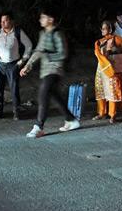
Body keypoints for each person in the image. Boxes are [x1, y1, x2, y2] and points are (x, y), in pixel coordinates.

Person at [19, 9, 80, 138]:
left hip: (55, 69)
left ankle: (39, 126)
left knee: (43, 93)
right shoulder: (43, 33)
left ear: (51, 20)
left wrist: (48, 54)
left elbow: (63, 53)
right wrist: (27, 66)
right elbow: (38, 52)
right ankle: (71, 120)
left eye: (43, 17)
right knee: (55, 95)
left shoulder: (57, 34)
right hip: (45, 71)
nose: (40, 20)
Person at [0, 14, 33, 119]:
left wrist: (23, 59)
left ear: (11, 21)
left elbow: (29, 45)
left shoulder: (18, 32)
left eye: (5, 21)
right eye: (1, 21)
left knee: (14, 89)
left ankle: (17, 112)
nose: (3, 23)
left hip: (13, 65)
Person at [93, 21, 122, 123]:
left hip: (112, 68)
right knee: (100, 90)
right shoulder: (98, 42)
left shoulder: (116, 39)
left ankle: (112, 114)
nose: (103, 31)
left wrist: (114, 49)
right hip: (101, 69)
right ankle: (101, 113)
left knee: (112, 91)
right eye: (102, 29)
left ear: (110, 29)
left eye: (105, 28)